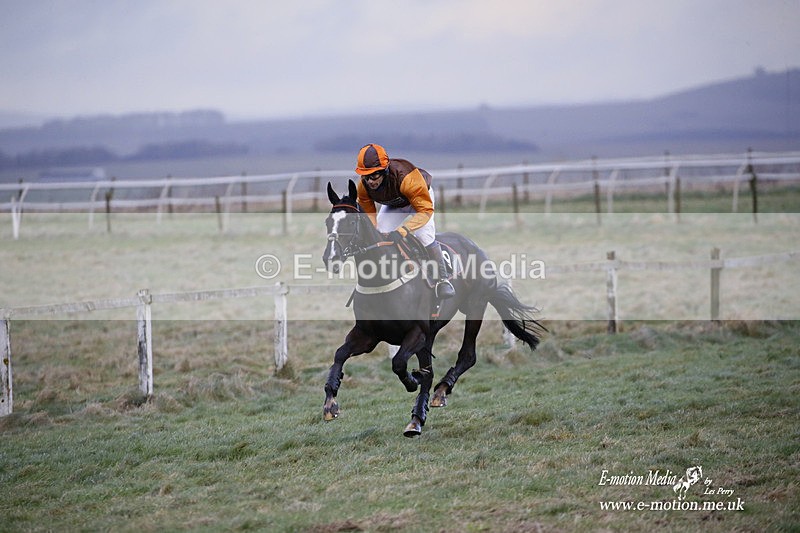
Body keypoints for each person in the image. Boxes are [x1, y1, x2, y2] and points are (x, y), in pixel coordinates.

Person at [354, 143, 455, 299]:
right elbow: (369, 216)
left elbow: (425, 211)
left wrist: (402, 231)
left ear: (384, 171)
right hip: (395, 204)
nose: (370, 181)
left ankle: (443, 279)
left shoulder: (407, 178)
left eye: (374, 175)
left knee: (424, 236)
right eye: (365, 176)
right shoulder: (364, 186)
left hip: (420, 202)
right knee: (380, 233)